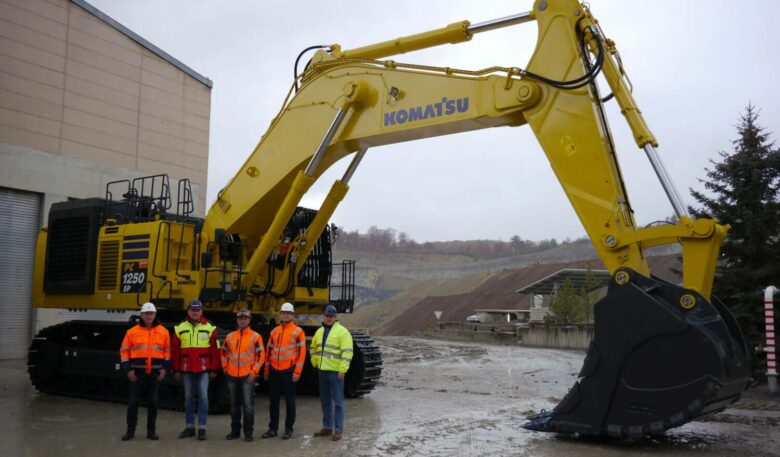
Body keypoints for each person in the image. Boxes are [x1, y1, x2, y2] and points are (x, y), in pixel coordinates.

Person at [119, 302, 170, 441]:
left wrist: (164, 370)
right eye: (146, 313)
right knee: (133, 402)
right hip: (136, 373)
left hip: (154, 373)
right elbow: (124, 351)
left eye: (151, 313)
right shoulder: (132, 332)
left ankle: (151, 431)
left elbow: (167, 352)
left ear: (155, 315)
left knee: (153, 402)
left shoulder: (163, 332)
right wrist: (128, 370)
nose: (148, 316)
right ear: (141, 315)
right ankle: (130, 431)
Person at [172, 299, 220, 440]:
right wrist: (176, 369)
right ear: (188, 311)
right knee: (188, 398)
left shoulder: (210, 328)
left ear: (201, 311)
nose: (195, 312)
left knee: (203, 398)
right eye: (192, 310)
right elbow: (175, 351)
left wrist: (214, 369)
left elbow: (215, 351)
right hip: (186, 369)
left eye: (197, 310)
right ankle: (189, 427)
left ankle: (202, 428)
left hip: (204, 369)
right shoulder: (179, 328)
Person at [262, 302, 306, 440]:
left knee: (290, 401)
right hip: (274, 370)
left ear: (292, 315)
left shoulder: (298, 332)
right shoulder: (274, 331)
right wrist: (267, 369)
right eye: (283, 313)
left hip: (289, 370)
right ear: (280, 314)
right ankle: (272, 429)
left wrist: (297, 371)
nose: (285, 315)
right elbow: (269, 351)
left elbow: (302, 353)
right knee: (273, 401)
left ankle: (288, 429)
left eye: (288, 313)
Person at [310, 305, 353, 441]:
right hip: (322, 371)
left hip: (335, 372)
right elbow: (313, 348)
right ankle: (327, 427)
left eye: (331, 316)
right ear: (324, 316)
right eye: (327, 316)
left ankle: (338, 430)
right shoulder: (319, 332)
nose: (329, 318)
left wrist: (342, 369)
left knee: (338, 402)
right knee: (325, 401)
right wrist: (314, 361)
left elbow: (347, 352)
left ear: (335, 317)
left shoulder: (342, 332)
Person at [221, 308, 265, 442]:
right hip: (232, 375)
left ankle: (248, 433)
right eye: (240, 319)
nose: (242, 321)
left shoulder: (255, 336)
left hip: (248, 376)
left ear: (249, 320)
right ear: (237, 320)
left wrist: (254, 372)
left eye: (245, 318)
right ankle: (235, 431)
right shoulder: (230, 336)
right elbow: (223, 353)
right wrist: (225, 368)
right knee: (234, 405)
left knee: (248, 405)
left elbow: (261, 356)